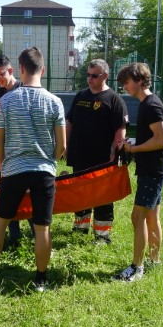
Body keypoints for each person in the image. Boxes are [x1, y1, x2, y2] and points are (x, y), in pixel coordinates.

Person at [0, 47, 66, 292]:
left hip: (13, 170)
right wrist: (50, 161)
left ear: (20, 69)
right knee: (42, 227)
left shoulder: (6, 101)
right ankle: (41, 280)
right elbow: (62, 145)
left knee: (0, 222)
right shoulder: (55, 102)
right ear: (43, 69)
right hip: (44, 171)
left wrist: (3, 164)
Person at [115, 62, 163, 282]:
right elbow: (152, 137)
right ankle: (154, 261)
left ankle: (136, 268)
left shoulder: (151, 105)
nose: (125, 87)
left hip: (153, 170)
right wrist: (133, 142)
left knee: (137, 217)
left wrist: (133, 149)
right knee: (152, 216)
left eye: (127, 82)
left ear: (139, 80)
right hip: (155, 168)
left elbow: (162, 140)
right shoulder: (147, 103)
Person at [65, 59, 128, 244]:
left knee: (103, 195)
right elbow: (70, 122)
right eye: (88, 75)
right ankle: (80, 228)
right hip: (80, 155)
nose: (89, 79)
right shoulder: (80, 96)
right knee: (80, 191)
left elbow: (120, 129)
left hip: (103, 158)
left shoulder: (114, 100)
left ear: (105, 76)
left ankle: (102, 235)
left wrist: (115, 152)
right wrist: (66, 145)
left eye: (94, 75)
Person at [0, 54, 33, 247]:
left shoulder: (26, 90)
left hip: (25, 152)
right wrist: (0, 156)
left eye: (1, 74)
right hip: (6, 153)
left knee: (29, 194)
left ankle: (36, 234)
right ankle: (14, 237)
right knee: (8, 194)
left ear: (11, 70)